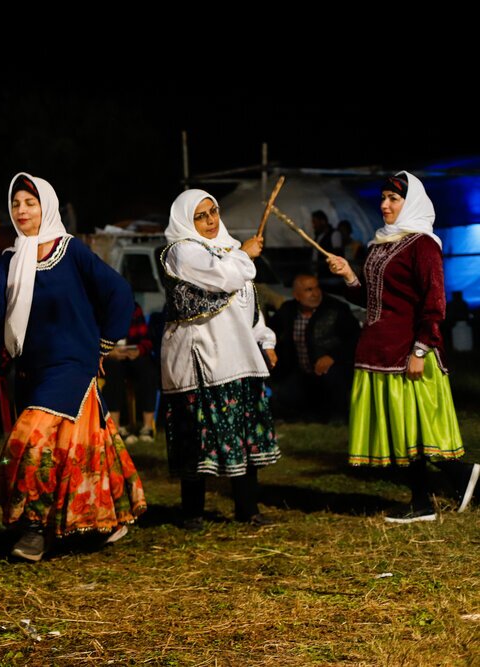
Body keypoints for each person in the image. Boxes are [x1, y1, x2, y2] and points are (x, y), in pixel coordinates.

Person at [0, 173, 146, 562]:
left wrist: (103, 343)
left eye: (29, 203)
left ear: (45, 206)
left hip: (71, 363)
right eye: (15, 204)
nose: (21, 211)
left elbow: (118, 291)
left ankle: (33, 530)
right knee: (73, 448)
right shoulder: (10, 259)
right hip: (30, 368)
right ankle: (97, 520)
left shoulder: (71, 251)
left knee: (28, 442)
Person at [327, 171, 479, 523]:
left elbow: (434, 301)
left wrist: (421, 349)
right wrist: (349, 275)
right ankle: (455, 481)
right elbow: (375, 299)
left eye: (393, 199)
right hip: (378, 349)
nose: (384, 205)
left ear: (410, 203)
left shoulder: (422, 244)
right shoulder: (381, 242)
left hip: (407, 351)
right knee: (403, 429)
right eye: (383, 198)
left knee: (416, 428)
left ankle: (425, 501)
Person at [160, 190, 280, 531]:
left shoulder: (228, 250)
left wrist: (264, 340)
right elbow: (224, 277)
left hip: (238, 357)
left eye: (213, 212)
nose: (211, 221)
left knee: (241, 433)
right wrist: (245, 254)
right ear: (187, 220)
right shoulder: (182, 251)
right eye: (201, 216)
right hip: (201, 359)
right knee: (199, 436)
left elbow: (247, 304)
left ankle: (247, 508)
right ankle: (192, 512)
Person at [269, 274, 358, 422]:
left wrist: (332, 357)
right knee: (284, 394)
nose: (315, 293)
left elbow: (354, 338)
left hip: (330, 373)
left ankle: (336, 418)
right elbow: (270, 332)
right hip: (299, 373)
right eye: (309, 290)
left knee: (334, 388)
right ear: (297, 295)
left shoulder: (336, 309)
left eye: (317, 288)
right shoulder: (288, 310)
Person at [101, 302, 158, 443]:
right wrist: (108, 352)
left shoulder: (134, 308)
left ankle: (147, 426)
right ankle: (116, 427)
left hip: (131, 354)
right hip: (110, 355)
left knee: (148, 368)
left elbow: (146, 340)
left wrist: (139, 350)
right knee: (113, 370)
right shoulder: (100, 308)